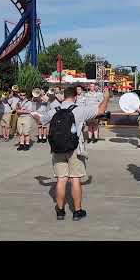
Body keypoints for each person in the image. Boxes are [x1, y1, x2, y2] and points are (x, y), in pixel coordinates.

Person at [36, 86, 110, 221]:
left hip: (58, 149)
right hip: (75, 148)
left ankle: (60, 211)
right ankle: (77, 211)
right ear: (75, 97)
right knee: (75, 179)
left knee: (61, 179)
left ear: (64, 97)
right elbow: (100, 110)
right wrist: (106, 98)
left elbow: (40, 121)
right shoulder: (79, 110)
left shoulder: (54, 110)